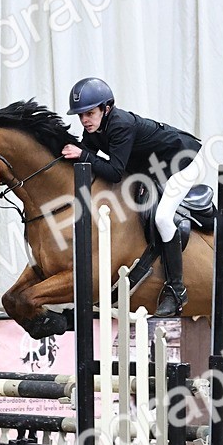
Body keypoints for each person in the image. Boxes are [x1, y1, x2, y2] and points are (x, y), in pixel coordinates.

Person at [60, 77, 205, 317]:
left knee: (163, 219)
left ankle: (176, 290)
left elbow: (114, 172)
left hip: (185, 162)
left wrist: (83, 153)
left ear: (106, 108)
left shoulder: (120, 125)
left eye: (90, 113)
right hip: (154, 167)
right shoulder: (95, 128)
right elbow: (85, 158)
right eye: (81, 115)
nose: (85, 120)